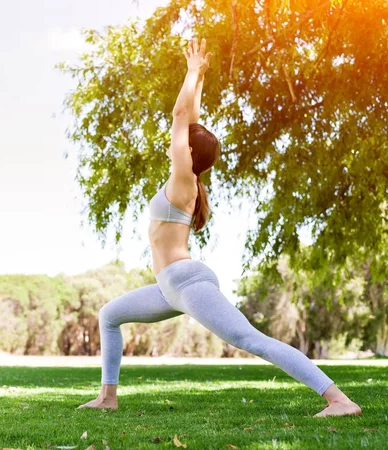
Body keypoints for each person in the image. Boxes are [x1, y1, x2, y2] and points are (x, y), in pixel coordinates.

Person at [77, 37, 362, 418]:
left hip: (186, 282)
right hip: (169, 287)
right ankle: (107, 397)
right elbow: (190, 121)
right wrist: (200, 79)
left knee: (249, 339)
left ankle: (339, 400)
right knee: (109, 314)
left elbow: (181, 118)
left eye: (180, 143)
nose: (173, 141)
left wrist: (191, 71)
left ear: (188, 153)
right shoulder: (186, 176)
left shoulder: (184, 181)